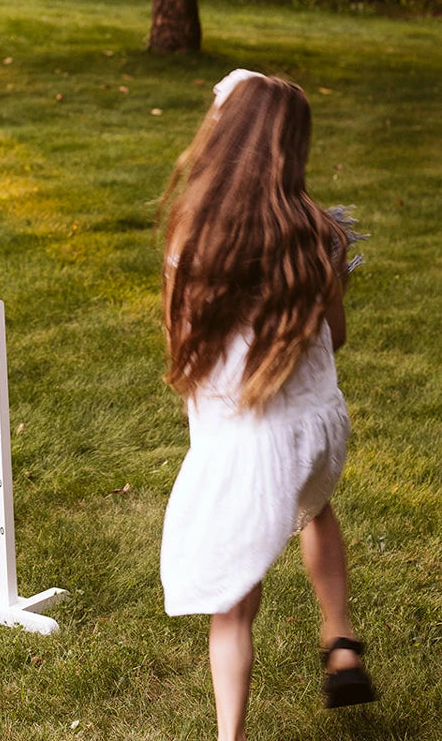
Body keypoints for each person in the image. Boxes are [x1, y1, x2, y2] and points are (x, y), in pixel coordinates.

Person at [157, 70, 375, 741]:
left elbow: (181, 341)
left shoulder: (195, 242)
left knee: (233, 602)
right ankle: (340, 640)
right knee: (316, 508)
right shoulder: (320, 235)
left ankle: (230, 737)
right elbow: (334, 334)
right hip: (320, 428)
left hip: (251, 442)